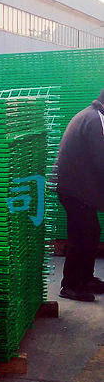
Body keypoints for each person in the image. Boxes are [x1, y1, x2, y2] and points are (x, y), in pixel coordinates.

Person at [55, 88, 104, 301]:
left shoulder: (92, 115)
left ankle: (85, 278)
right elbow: (101, 160)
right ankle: (70, 285)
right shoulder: (94, 120)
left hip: (77, 188)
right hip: (75, 189)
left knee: (91, 232)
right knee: (81, 235)